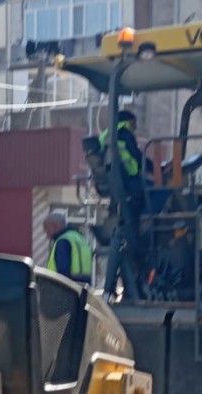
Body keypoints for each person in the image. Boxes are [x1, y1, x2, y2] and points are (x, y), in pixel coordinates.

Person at [98, 109, 146, 302]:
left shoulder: (106, 135)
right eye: (134, 122)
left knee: (122, 240)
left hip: (119, 189)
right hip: (131, 185)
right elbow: (137, 158)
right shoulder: (125, 134)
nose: (136, 127)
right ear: (128, 121)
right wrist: (157, 168)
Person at [43, 210, 92, 284]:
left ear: (53, 225)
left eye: (46, 230)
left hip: (67, 291)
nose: (47, 235)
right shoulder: (81, 239)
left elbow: (62, 275)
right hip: (84, 289)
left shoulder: (63, 241)